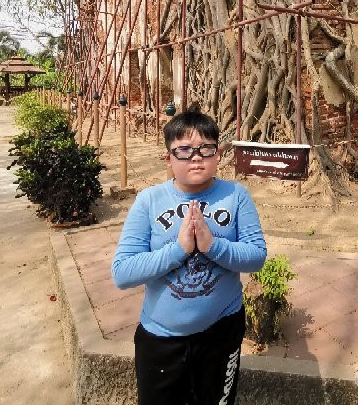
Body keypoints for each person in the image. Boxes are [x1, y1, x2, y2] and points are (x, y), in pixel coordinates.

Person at [112, 110, 267, 405]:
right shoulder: (149, 200)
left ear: (217, 154)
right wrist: (179, 249)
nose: (196, 157)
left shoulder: (236, 195)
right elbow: (122, 272)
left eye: (205, 149)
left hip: (221, 331)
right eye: (183, 150)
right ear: (168, 159)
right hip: (160, 339)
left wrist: (212, 245)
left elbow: (256, 256)